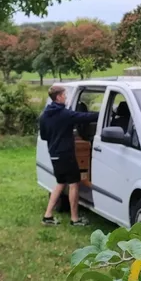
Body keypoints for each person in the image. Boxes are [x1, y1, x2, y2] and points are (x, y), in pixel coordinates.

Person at [39, 85, 99, 226]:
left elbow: (44, 136)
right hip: (66, 154)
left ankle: (48, 216)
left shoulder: (44, 115)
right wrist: (103, 114)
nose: (66, 97)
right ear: (58, 97)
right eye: (64, 95)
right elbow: (85, 117)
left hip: (54, 154)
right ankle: (74, 219)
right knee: (73, 184)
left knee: (60, 183)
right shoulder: (65, 114)